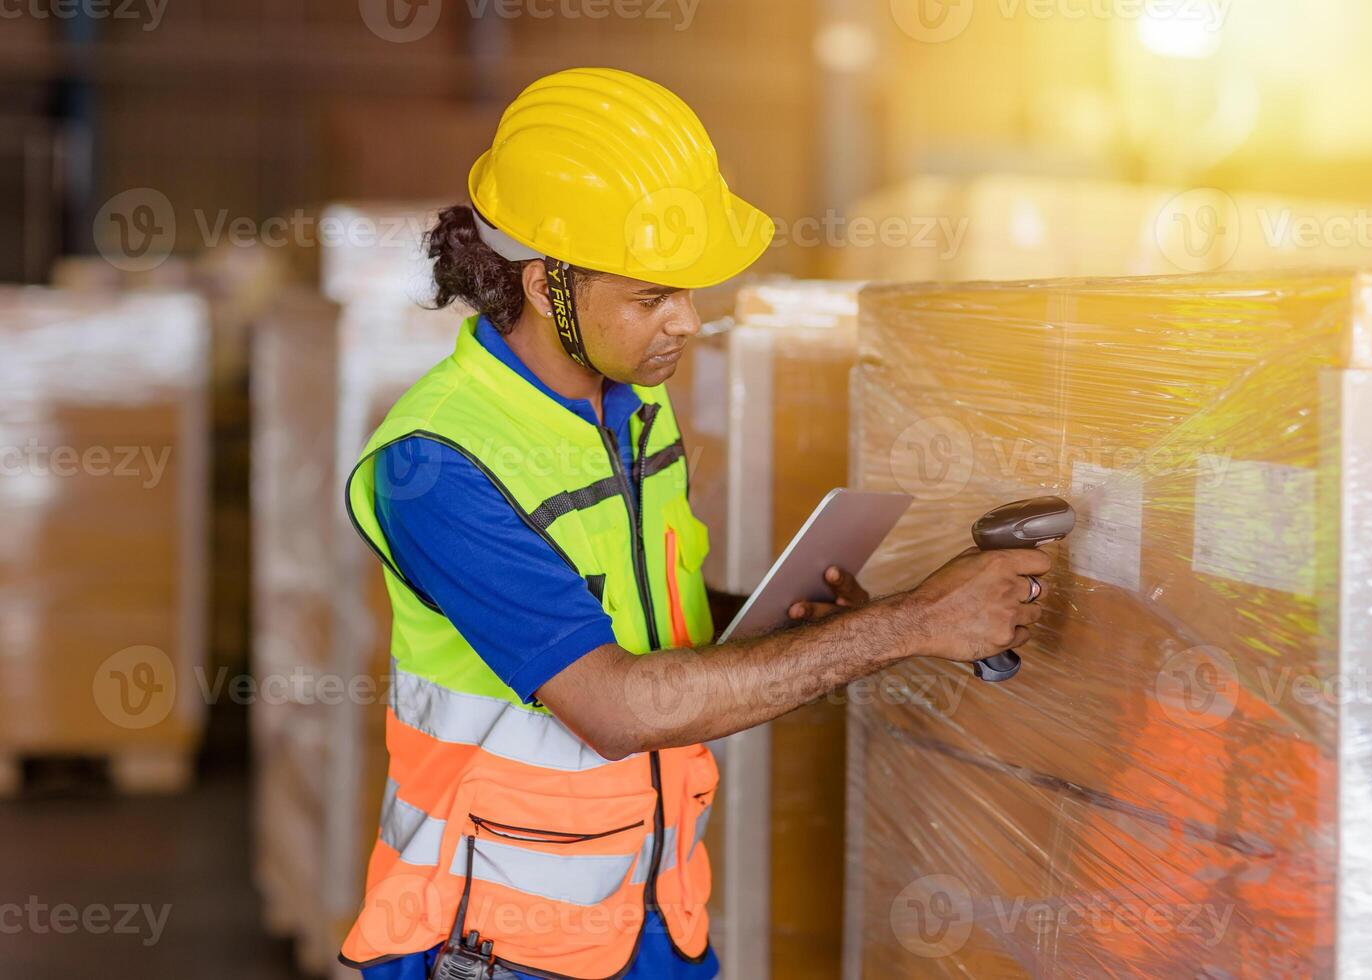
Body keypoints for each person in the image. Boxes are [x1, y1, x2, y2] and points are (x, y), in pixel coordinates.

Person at [338, 66, 1054, 980]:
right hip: (491, 944)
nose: (688, 321)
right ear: (546, 282)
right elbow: (613, 705)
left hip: (652, 916)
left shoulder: (632, 406)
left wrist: (780, 616)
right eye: (651, 297)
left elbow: (635, 619)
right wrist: (911, 624)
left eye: (688, 291)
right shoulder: (434, 466)